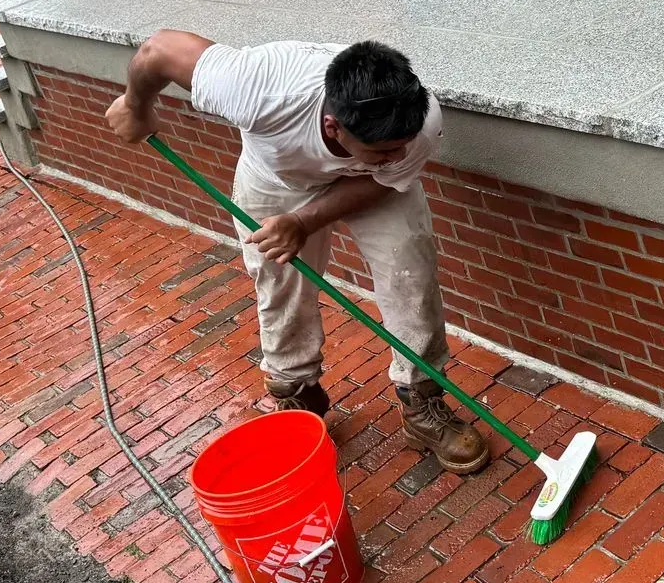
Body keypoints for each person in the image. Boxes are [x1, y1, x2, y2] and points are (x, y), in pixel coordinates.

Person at [104, 30, 489, 474]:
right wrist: (136, 105)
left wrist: (305, 221)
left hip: (370, 186)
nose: (399, 153)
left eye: (402, 144)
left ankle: (421, 400)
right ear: (333, 127)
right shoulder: (260, 87)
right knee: (279, 284)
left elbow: (383, 176)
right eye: (384, 149)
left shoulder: (417, 122)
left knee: (411, 276)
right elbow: (159, 50)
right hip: (275, 180)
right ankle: (296, 392)